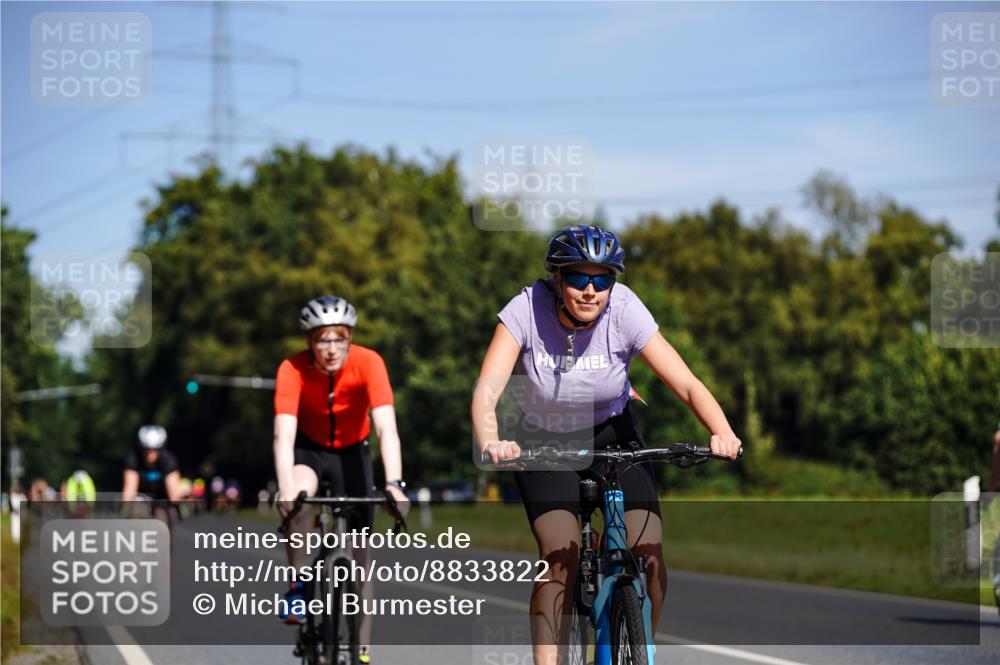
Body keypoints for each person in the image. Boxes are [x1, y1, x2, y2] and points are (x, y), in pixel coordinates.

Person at [471, 224, 741, 665]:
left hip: (614, 432)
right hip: (543, 439)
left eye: (603, 279)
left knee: (650, 556)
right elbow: (487, 388)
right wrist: (491, 440)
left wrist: (722, 431)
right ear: (557, 278)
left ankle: (638, 648)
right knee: (560, 555)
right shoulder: (525, 309)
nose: (591, 290)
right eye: (579, 277)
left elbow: (686, 383)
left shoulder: (626, 309)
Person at [273, 295, 409, 663]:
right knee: (298, 498)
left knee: (361, 558)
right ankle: (299, 586)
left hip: (354, 453)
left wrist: (395, 484)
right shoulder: (292, 368)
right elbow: (283, 434)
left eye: (339, 338)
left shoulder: (369, 363)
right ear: (309, 342)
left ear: (350, 337)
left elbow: (387, 429)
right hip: (310, 452)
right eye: (322, 339)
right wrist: (286, 486)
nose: (331, 348)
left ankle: (362, 648)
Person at [123, 425, 182, 532]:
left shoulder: (168, 459)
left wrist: (176, 502)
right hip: (142, 495)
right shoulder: (133, 458)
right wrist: (127, 506)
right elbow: (129, 490)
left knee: (165, 519)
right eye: (147, 449)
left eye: (155, 449)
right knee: (136, 513)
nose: (151, 453)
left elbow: (174, 493)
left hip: (162, 497)